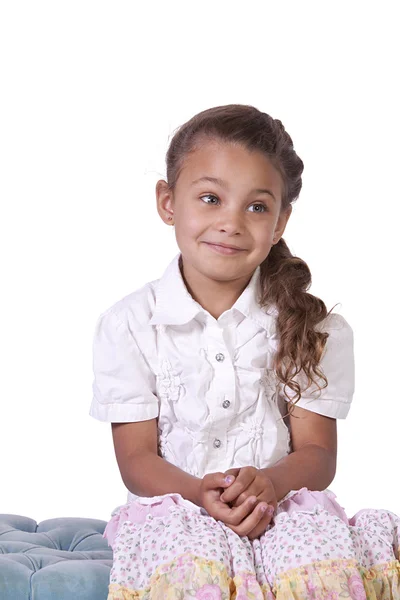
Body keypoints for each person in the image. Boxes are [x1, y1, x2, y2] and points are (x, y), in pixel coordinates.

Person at [90, 104, 400, 600]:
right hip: (175, 509)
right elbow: (136, 458)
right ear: (168, 202)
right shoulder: (128, 324)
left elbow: (318, 454)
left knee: (318, 571)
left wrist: (271, 485)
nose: (231, 223)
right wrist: (199, 492)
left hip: (284, 506)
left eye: (257, 207)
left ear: (280, 221)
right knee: (188, 575)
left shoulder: (314, 328)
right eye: (210, 198)